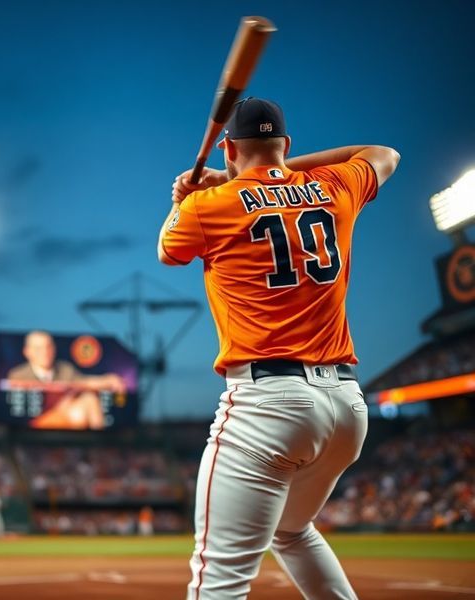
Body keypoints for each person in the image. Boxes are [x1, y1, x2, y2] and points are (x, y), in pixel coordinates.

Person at [158, 97, 400, 599]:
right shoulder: (335, 186)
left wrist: (185, 195)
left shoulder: (209, 206)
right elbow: (384, 153)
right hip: (346, 407)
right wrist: (286, 171)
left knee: (217, 581)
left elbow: (167, 250)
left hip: (266, 404)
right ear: (286, 145)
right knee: (291, 531)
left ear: (227, 149)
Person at [7, 330, 125, 429]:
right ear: (27, 352)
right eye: (38, 348)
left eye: (48, 347)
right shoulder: (17, 375)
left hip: (68, 423)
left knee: (89, 398)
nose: (45, 352)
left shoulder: (65, 369)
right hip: (34, 428)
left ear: (54, 349)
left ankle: (101, 444)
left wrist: (110, 380)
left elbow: (86, 382)